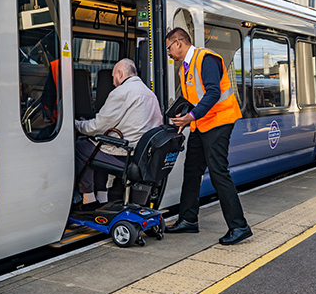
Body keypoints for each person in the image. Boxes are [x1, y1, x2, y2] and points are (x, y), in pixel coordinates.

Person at [164, 27, 252, 246]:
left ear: (179, 43)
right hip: (200, 125)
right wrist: (182, 118)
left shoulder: (206, 59)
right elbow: (192, 99)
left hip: (219, 122)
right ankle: (188, 220)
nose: (168, 53)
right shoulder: (183, 69)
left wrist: (190, 116)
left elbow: (213, 92)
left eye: (168, 48)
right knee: (192, 170)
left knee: (218, 172)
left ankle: (239, 226)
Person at [74, 58, 162, 210]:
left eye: (113, 77)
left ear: (120, 74)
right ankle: (102, 197)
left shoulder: (121, 92)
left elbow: (97, 127)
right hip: (142, 156)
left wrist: (76, 124)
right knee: (99, 146)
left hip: (124, 155)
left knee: (83, 146)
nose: (113, 81)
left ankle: (88, 199)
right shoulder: (149, 93)